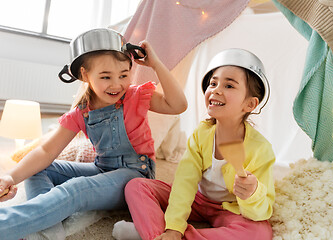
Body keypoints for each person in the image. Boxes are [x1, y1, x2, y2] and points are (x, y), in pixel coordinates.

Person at [0, 28, 187, 240]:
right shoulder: (82, 111)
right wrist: (10, 176)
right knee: (36, 168)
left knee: (77, 189)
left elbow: (178, 104)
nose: (117, 84)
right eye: (106, 76)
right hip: (101, 169)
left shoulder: (136, 96)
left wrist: (156, 64)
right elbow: (45, 151)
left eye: (124, 75)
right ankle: (49, 230)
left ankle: (7, 224)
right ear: (84, 75)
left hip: (135, 174)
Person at [113, 49, 275, 240]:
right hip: (196, 200)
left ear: (250, 104)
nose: (216, 89)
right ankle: (163, 235)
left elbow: (262, 211)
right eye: (213, 83)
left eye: (229, 85)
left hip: (230, 209)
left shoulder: (261, 149)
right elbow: (185, 182)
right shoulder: (201, 135)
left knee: (260, 232)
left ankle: (151, 234)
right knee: (136, 186)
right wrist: (173, 227)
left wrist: (252, 194)